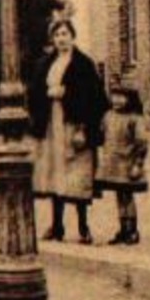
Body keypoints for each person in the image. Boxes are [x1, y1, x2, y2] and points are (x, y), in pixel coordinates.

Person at [30, 14, 108, 243]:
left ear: (73, 37)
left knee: (78, 175)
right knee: (56, 173)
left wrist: (68, 95)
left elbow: (94, 98)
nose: (61, 39)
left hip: (74, 124)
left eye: (65, 34)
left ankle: (83, 227)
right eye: (57, 35)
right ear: (52, 39)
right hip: (52, 125)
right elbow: (33, 92)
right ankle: (57, 226)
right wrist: (46, 95)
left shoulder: (83, 64)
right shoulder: (45, 63)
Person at [94, 84, 150, 245]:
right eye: (114, 96)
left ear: (129, 99)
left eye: (121, 97)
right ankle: (123, 229)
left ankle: (132, 230)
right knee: (119, 196)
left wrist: (137, 164)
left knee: (127, 196)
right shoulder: (108, 116)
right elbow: (101, 134)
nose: (116, 100)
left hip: (127, 163)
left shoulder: (134, 118)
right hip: (113, 163)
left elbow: (141, 142)